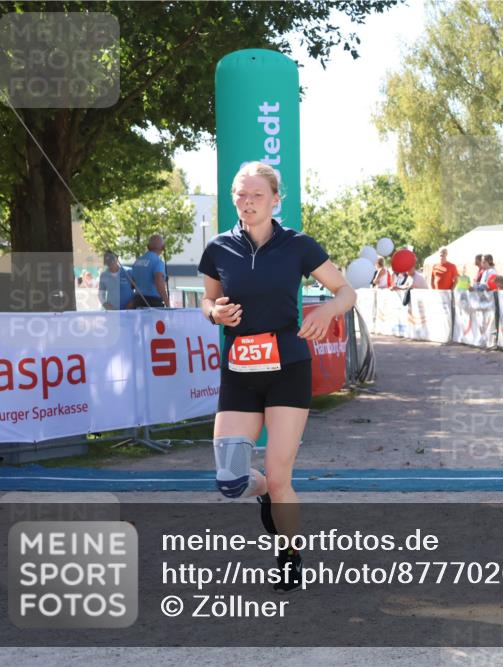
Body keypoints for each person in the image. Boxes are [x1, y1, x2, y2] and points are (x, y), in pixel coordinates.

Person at [198, 161, 355, 594]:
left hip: (287, 368)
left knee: (282, 475)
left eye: (256, 196)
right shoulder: (217, 248)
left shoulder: (298, 245)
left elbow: (346, 292)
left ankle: (288, 555)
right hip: (239, 371)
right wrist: (215, 313)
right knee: (230, 480)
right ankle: (263, 489)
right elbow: (208, 303)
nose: (247, 203)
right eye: (240, 195)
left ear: (274, 200)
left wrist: (324, 310)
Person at [130, 233, 170, 308]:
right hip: (153, 302)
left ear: (148, 247)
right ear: (162, 247)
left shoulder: (137, 261)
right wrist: (168, 304)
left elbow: (132, 284)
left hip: (137, 301)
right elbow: (159, 284)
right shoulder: (158, 262)